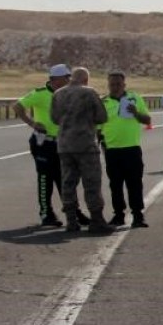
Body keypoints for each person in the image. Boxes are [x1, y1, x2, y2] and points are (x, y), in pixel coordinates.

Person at [14, 64, 85, 228]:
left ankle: (74, 212)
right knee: (45, 178)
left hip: (63, 142)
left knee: (65, 179)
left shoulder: (68, 94)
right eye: (66, 77)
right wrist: (32, 123)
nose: (69, 80)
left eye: (69, 77)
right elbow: (18, 106)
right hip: (44, 143)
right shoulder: (40, 94)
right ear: (55, 79)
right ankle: (46, 214)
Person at [50, 67, 112, 233]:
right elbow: (102, 117)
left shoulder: (58, 94)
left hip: (64, 144)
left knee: (68, 183)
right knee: (91, 182)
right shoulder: (89, 92)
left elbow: (54, 119)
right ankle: (96, 219)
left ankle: (71, 221)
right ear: (86, 79)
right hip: (85, 144)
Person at [99, 71, 151, 228]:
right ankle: (118, 215)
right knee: (115, 185)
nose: (115, 87)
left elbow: (147, 120)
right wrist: (102, 145)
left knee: (134, 183)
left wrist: (136, 113)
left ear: (124, 85)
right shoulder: (103, 102)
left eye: (118, 84)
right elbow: (98, 128)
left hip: (131, 149)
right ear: (108, 85)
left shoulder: (134, 98)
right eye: (112, 84)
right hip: (112, 151)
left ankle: (138, 215)